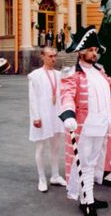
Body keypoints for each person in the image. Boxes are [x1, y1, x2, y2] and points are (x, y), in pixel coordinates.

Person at [60, 25, 111, 216]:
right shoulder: (72, 73)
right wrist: (68, 114)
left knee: (92, 162)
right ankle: (87, 202)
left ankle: (88, 198)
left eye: (95, 50)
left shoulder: (98, 70)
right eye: (91, 50)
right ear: (81, 52)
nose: (94, 54)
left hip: (101, 124)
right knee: (84, 163)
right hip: (85, 127)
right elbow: (67, 95)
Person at [28, 47, 67, 192]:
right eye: (50, 56)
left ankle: (55, 175)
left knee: (56, 147)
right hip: (42, 115)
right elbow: (33, 98)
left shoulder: (59, 75)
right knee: (41, 147)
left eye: (55, 56)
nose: (54, 59)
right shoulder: (35, 75)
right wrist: (36, 117)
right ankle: (42, 178)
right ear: (42, 56)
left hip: (56, 114)